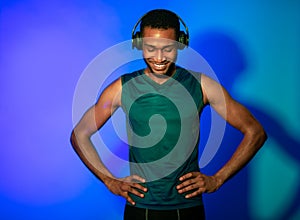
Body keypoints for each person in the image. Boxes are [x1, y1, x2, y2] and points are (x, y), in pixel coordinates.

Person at [70, 9, 267, 220]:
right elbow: (79, 134)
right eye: (150, 48)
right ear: (139, 44)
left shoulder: (203, 86)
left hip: (188, 208)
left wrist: (218, 179)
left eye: (168, 49)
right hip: (140, 208)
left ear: (180, 44)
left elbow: (255, 132)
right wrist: (109, 180)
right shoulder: (122, 88)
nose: (159, 57)